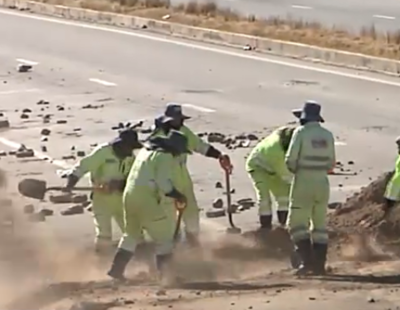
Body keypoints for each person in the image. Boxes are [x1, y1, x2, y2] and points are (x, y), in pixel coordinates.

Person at [107, 130, 190, 282]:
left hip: (129, 196)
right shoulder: (165, 156)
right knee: (164, 238)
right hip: (147, 199)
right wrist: (177, 195)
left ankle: (116, 270)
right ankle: (166, 276)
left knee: (130, 235)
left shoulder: (146, 151)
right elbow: (163, 182)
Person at [149, 103, 233, 247]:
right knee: (168, 217)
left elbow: (199, 145)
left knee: (192, 213)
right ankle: (169, 248)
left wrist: (219, 155)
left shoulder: (184, 132)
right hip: (166, 183)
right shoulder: (158, 138)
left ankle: (193, 244)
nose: (179, 122)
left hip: (183, 180)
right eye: (176, 120)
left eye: (180, 119)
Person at [64, 129, 143, 254]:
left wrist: (121, 184)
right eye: (129, 147)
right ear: (121, 145)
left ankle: (139, 255)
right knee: (104, 233)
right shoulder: (103, 152)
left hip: (121, 199)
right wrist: (69, 185)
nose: (130, 151)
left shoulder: (130, 158)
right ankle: (101, 259)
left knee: (133, 231)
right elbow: (81, 167)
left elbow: (133, 177)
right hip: (102, 198)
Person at [285, 101, 336, 276]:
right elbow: (331, 163)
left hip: (304, 181)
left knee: (297, 224)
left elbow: (290, 160)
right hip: (322, 183)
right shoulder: (328, 135)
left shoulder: (300, 132)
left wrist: (297, 170)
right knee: (319, 225)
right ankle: (320, 265)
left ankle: (307, 263)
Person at [245, 125, 295, 229]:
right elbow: (287, 176)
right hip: (257, 167)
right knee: (264, 198)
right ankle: (265, 226)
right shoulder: (276, 151)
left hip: (273, 168)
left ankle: (284, 225)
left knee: (284, 197)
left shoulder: (283, 137)